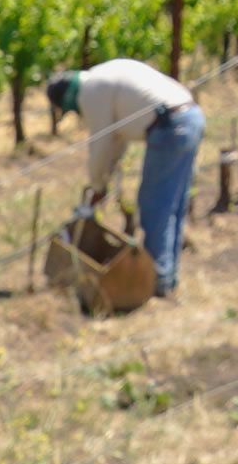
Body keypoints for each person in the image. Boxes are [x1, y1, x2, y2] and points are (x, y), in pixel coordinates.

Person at [43, 57, 209, 298]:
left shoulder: (92, 92)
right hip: (191, 117)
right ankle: (169, 275)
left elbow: (100, 146)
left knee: (155, 205)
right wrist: (103, 181)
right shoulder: (105, 75)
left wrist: (97, 186)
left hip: (169, 127)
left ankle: (157, 280)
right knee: (173, 203)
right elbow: (117, 141)